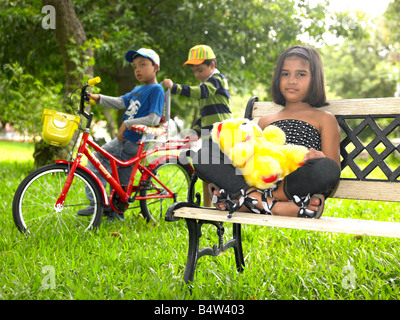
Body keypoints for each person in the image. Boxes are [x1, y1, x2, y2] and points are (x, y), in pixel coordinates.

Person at [193, 45, 341, 218]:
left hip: (292, 184)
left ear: (315, 79)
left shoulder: (324, 118)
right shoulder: (266, 120)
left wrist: (319, 157)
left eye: (301, 74)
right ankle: (272, 205)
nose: (292, 80)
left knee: (327, 168)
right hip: (257, 180)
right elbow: (250, 155)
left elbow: (333, 167)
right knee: (204, 153)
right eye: (285, 74)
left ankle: (245, 200)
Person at [77, 48, 165, 221]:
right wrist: (97, 98)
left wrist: (127, 123)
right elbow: (119, 102)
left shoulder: (156, 90)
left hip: (136, 141)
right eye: (134, 67)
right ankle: (101, 204)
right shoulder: (138, 89)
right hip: (125, 139)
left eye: (143, 65)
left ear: (155, 68)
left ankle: (110, 211)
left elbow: (154, 118)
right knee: (100, 160)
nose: (138, 69)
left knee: (119, 175)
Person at [163, 44, 233, 206]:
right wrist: (194, 132)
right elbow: (204, 116)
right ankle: (208, 208)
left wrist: (175, 88)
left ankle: (224, 203)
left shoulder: (217, 80)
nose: (196, 74)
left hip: (222, 133)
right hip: (210, 135)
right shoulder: (208, 84)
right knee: (206, 170)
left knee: (218, 170)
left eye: (200, 70)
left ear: (212, 65)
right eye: (194, 71)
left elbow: (200, 92)